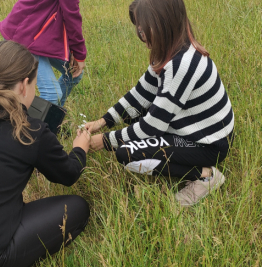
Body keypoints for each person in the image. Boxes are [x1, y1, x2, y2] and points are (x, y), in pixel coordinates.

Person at [0, 40, 91, 267]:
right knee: (77, 208)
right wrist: (80, 148)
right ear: (23, 84)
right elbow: (68, 175)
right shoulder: (29, 130)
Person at [85, 0, 234, 207]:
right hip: (194, 129)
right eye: (139, 28)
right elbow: (140, 94)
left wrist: (104, 141)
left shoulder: (181, 65)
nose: (142, 35)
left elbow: (152, 127)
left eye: (145, 29)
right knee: (136, 114)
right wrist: (102, 122)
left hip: (208, 143)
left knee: (127, 154)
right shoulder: (171, 50)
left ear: (165, 24)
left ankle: (207, 175)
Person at [0, 0, 86, 107]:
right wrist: (79, 53)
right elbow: (71, 15)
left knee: (74, 73)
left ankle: (53, 118)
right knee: (52, 94)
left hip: (34, 32)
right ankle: (37, 123)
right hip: (25, 35)